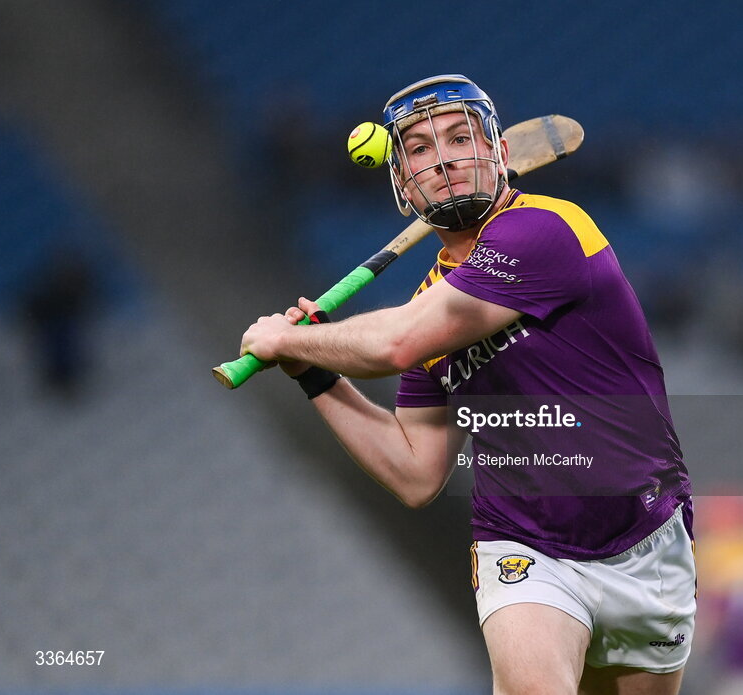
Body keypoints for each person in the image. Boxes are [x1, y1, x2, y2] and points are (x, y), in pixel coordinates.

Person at [239, 74, 695, 695]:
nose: (445, 158)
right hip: (525, 546)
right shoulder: (430, 303)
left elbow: (396, 343)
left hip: (646, 534)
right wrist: (313, 371)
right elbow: (414, 471)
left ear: (499, 154)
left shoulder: (547, 229)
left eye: (459, 138)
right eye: (421, 150)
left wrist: (288, 340)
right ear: (404, 183)